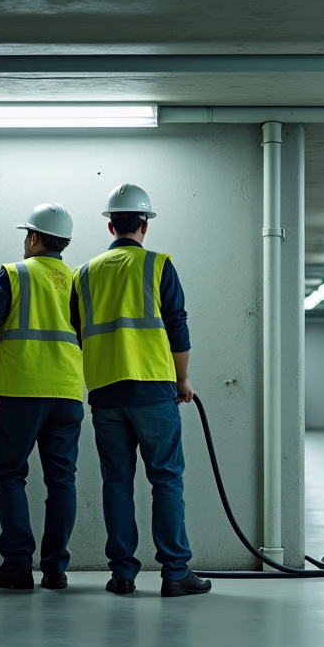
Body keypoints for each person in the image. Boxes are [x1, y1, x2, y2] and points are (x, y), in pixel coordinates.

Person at [72, 183, 210, 597]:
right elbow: (177, 326)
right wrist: (182, 378)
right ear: (144, 226)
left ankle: (123, 574)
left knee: (116, 482)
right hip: (152, 388)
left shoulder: (85, 272)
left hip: (106, 393)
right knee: (166, 479)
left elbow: (79, 330)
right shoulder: (158, 265)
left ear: (111, 225)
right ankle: (174, 573)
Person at [0, 202, 84, 590]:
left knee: (9, 474)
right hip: (68, 394)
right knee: (62, 480)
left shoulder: (15, 274)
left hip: (20, 391)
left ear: (33, 237)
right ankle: (55, 570)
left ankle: (17, 566)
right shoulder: (79, 281)